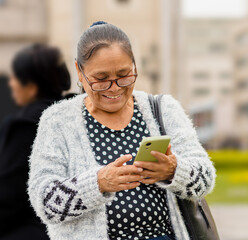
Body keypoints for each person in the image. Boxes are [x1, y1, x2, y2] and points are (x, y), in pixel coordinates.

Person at [28, 21, 216, 240]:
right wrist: (98, 183)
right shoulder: (57, 120)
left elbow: (205, 180)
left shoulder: (164, 109)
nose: (115, 87)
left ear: (134, 66)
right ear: (80, 72)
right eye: (101, 79)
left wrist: (174, 170)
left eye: (124, 74)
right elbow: (45, 202)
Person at [0, 44, 71, 239]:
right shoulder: (73, 114)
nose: (11, 83)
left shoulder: (25, 125)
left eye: (15, 78)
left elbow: (9, 196)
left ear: (31, 87)